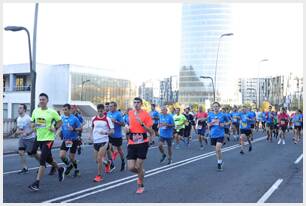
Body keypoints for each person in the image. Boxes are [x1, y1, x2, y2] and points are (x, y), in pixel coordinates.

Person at [28, 93, 65, 191]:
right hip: (38, 137)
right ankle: (59, 168)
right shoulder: (35, 111)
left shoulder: (52, 112)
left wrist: (55, 127)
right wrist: (33, 125)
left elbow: (60, 122)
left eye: (43, 99)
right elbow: (32, 121)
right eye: (40, 99)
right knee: (34, 153)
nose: (41, 101)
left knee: (42, 160)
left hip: (48, 139)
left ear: (47, 101)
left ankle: (37, 183)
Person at [127, 97, 154, 194]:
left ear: (141, 104)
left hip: (142, 143)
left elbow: (151, 131)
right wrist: (128, 129)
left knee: (138, 166)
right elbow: (130, 126)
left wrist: (142, 124)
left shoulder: (146, 115)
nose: (136, 104)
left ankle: (140, 185)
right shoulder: (130, 113)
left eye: (138, 102)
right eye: (134, 102)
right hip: (132, 142)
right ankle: (142, 173)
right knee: (130, 168)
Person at [90, 104, 114, 182]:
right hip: (96, 141)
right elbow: (92, 128)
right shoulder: (93, 118)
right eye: (98, 111)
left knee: (99, 158)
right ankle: (107, 163)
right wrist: (91, 136)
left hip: (104, 141)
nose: (100, 113)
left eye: (101, 111)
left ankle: (99, 176)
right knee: (97, 160)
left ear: (104, 111)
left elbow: (112, 131)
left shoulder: (107, 119)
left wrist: (106, 133)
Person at [14, 104, 40, 174]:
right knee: (21, 152)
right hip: (22, 139)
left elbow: (34, 128)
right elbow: (19, 129)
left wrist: (28, 133)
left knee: (32, 154)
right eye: (18, 108)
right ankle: (25, 168)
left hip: (30, 138)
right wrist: (17, 132)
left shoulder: (28, 118)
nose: (18, 109)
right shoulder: (18, 119)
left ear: (24, 110)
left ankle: (42, 163)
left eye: (20, 108)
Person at [59, 104, 82, 177]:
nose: (64, 111)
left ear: (69, 110)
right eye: (63, 110)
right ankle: (69, 165)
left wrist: (74, 129)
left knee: (72, 157)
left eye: (66, 109)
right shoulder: (61, 117)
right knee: (62, 156)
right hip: (65, 140)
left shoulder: (74, 118)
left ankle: (76, 170)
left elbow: (81, 128)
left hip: (73, 140)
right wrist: (60, 133)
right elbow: (59, 126)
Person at [207, 102, 226, 171]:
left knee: (218, 149)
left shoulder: (222, 115)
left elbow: (229, 121)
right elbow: (208, 124)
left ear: (219, 107)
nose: (215, 108)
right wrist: (210, 124)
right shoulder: (210, 115)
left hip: (220, 134)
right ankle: (220, 161)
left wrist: (224, 124)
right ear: (212, 107)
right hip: (213, 134)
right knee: (216, 151)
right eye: (214, 106)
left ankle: (219, 164)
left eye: (217, 106)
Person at [107, 101, 126, 172]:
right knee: (108, 148)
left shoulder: (118, 114)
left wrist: (115, 122)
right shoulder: (108, 113)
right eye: (109, 106)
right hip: (110, 134)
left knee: (120, 150)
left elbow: (123, 124)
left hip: (117, 135)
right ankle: (112, 164)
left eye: (111, 106)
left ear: (115, 107)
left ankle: (123, 161)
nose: (110, 107)